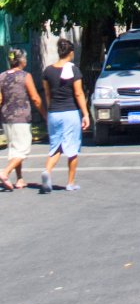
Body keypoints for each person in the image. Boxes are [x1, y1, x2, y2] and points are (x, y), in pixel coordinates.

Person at [41, 38, 89, 193]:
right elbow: (78, 93)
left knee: (55, 146)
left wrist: (49, 111)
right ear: (71, 52)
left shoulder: (47, 71)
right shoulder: (74, 70)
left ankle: (47, 172)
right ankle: (70, 182)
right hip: (70, 112)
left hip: (54, 112)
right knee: (72, 148)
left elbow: (47, 94)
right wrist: (86, 114)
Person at [0, 48, 46, 191]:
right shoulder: (25, 76)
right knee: (23, 150)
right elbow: (35, 98)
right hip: (21, 117)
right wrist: (44, 114)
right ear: (21, 61)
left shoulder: (1, 76)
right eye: (25, 58)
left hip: (6, 117)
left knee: (14, 149)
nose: (26, 61)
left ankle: (19, 179)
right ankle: (4, 172)